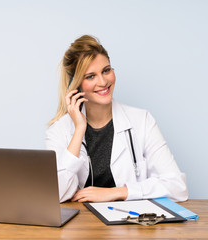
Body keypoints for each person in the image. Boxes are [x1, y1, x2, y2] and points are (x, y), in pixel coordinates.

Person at [46, 35, 188, 203]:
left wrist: (119, 192)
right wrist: (79, 130)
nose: (103, 81)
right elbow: (57, 195)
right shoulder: (59, 130)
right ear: (77, 85)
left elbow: (178, 187)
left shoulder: (142, 120)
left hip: (129, 223)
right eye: (90, 76)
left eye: (106, 70)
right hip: (81, 226)